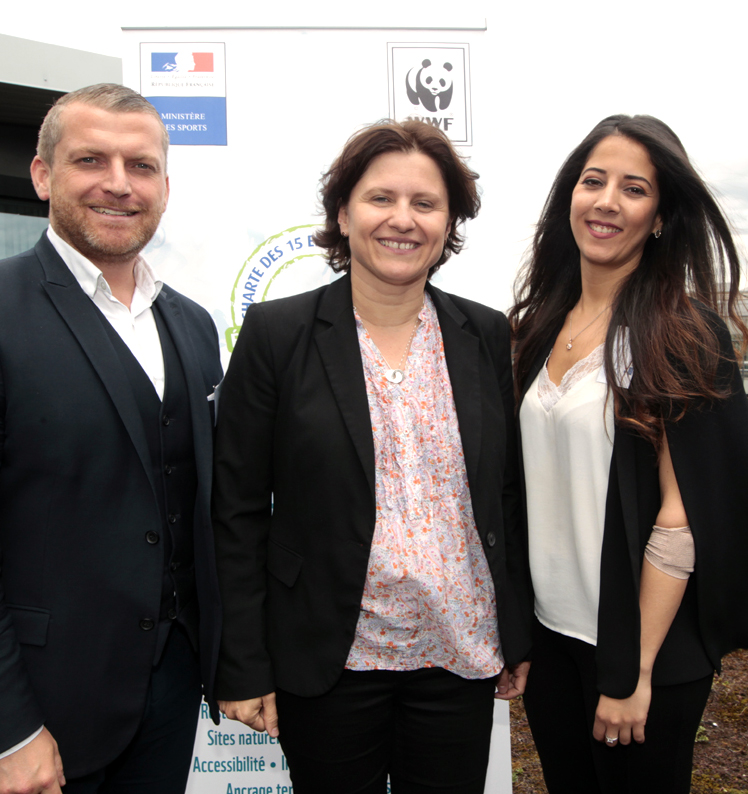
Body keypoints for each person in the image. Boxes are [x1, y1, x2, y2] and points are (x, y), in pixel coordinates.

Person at [0, 84, 223, 794]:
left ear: (163, 184)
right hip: (38, 708)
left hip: (169, 693)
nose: (118, 184)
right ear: (42, 175)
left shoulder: (192, 326)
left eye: (142, 165)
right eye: (90, 160)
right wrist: (2, 729)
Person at [211, 119, 534, 793]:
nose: (402, 219)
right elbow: (236, 512)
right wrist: (244, 663)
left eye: (425, 203)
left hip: (457, 655)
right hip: (330, 659)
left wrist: (515, 627)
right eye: (380, 198)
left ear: (449, 223)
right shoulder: (278, 335)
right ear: (342, 212)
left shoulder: (482, 333)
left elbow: (506, 491)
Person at [509, 114, 748, 793]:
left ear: (658, 217)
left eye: (633, 188)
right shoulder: (534, 329)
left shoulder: (680, 333)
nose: (606, 202)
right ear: (570, 195)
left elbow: (679, 523)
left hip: (642, 647)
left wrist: (634, 670)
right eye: (593, 181)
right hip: (552, 641)